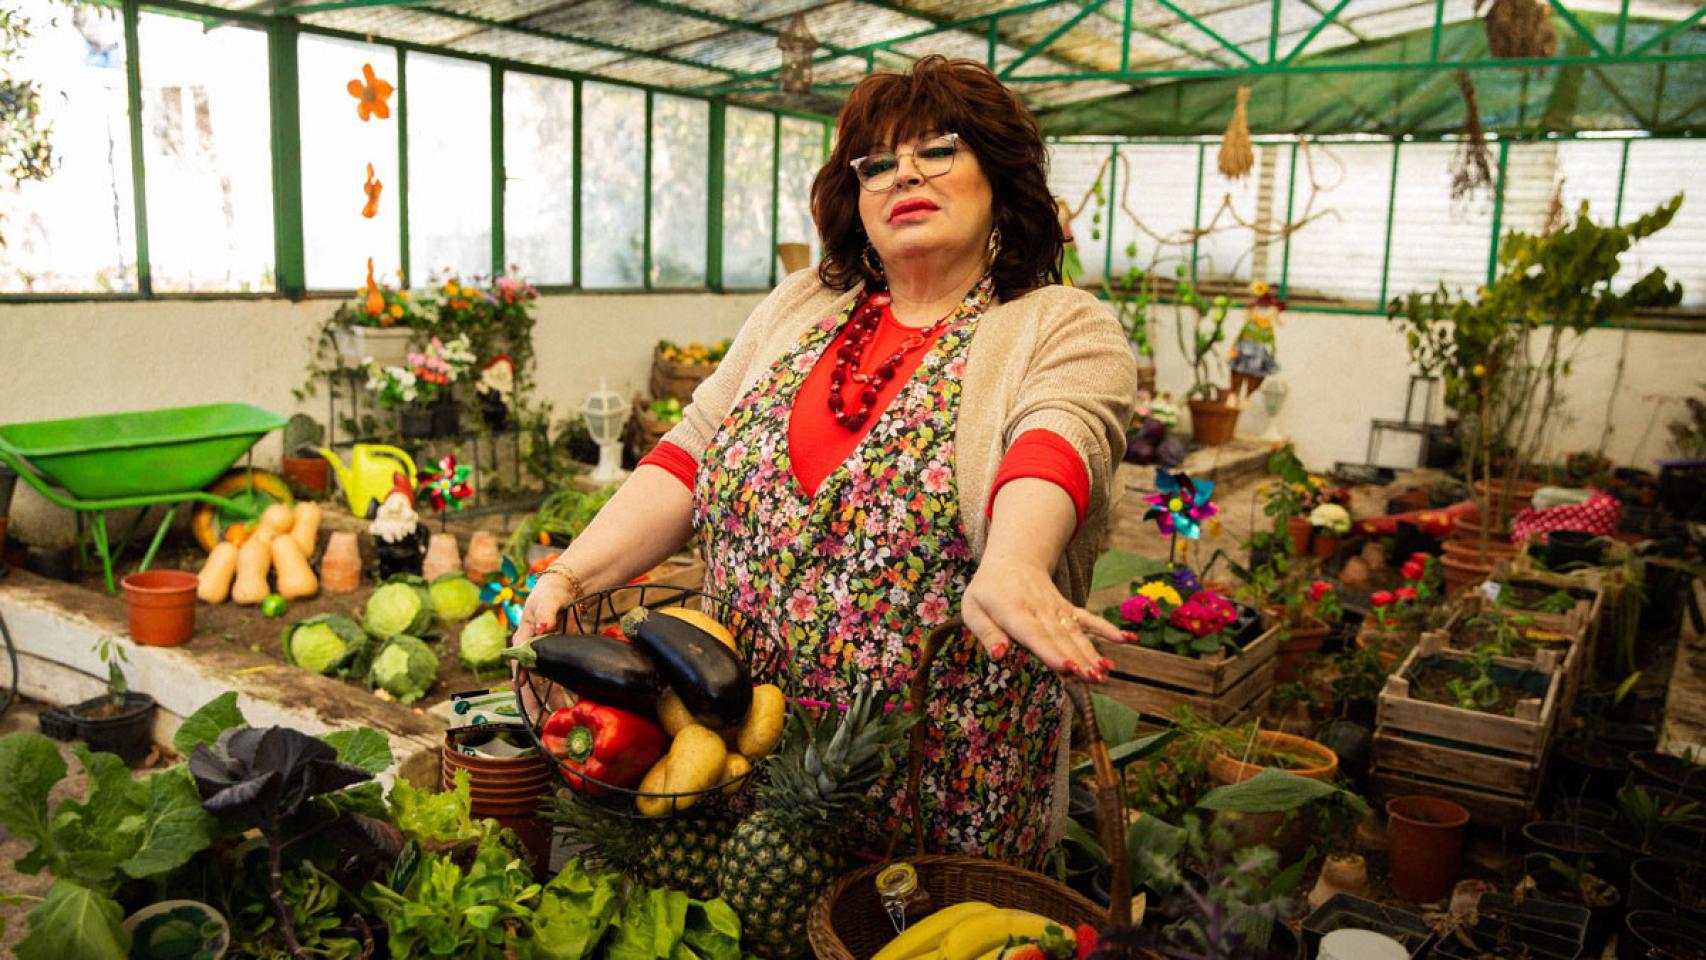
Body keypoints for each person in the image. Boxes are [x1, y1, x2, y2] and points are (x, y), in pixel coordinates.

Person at [513, 55, 1135, 866]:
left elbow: (1060, 434)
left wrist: (1017, 562)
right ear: (854, 198)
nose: (903, 173)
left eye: (939, 149)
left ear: (1000, 176)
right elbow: (689, 451)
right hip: (742, 759)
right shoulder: (803, 305)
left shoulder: (1058, 323)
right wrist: (571, 574)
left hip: (938, 783)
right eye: (876, 162)